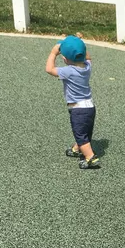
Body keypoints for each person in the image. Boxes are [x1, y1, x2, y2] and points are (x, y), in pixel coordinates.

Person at [46, 34, 101, 170]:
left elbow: (49, 69)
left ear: (64, 58)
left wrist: (53, 53)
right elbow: (88, 57)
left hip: (78, 109)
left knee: (80, 134)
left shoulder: (68, 71)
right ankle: (77, 149)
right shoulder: (87, 67)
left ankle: (90, 158)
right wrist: (79, 42)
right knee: (85, 132)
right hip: (90, 107)